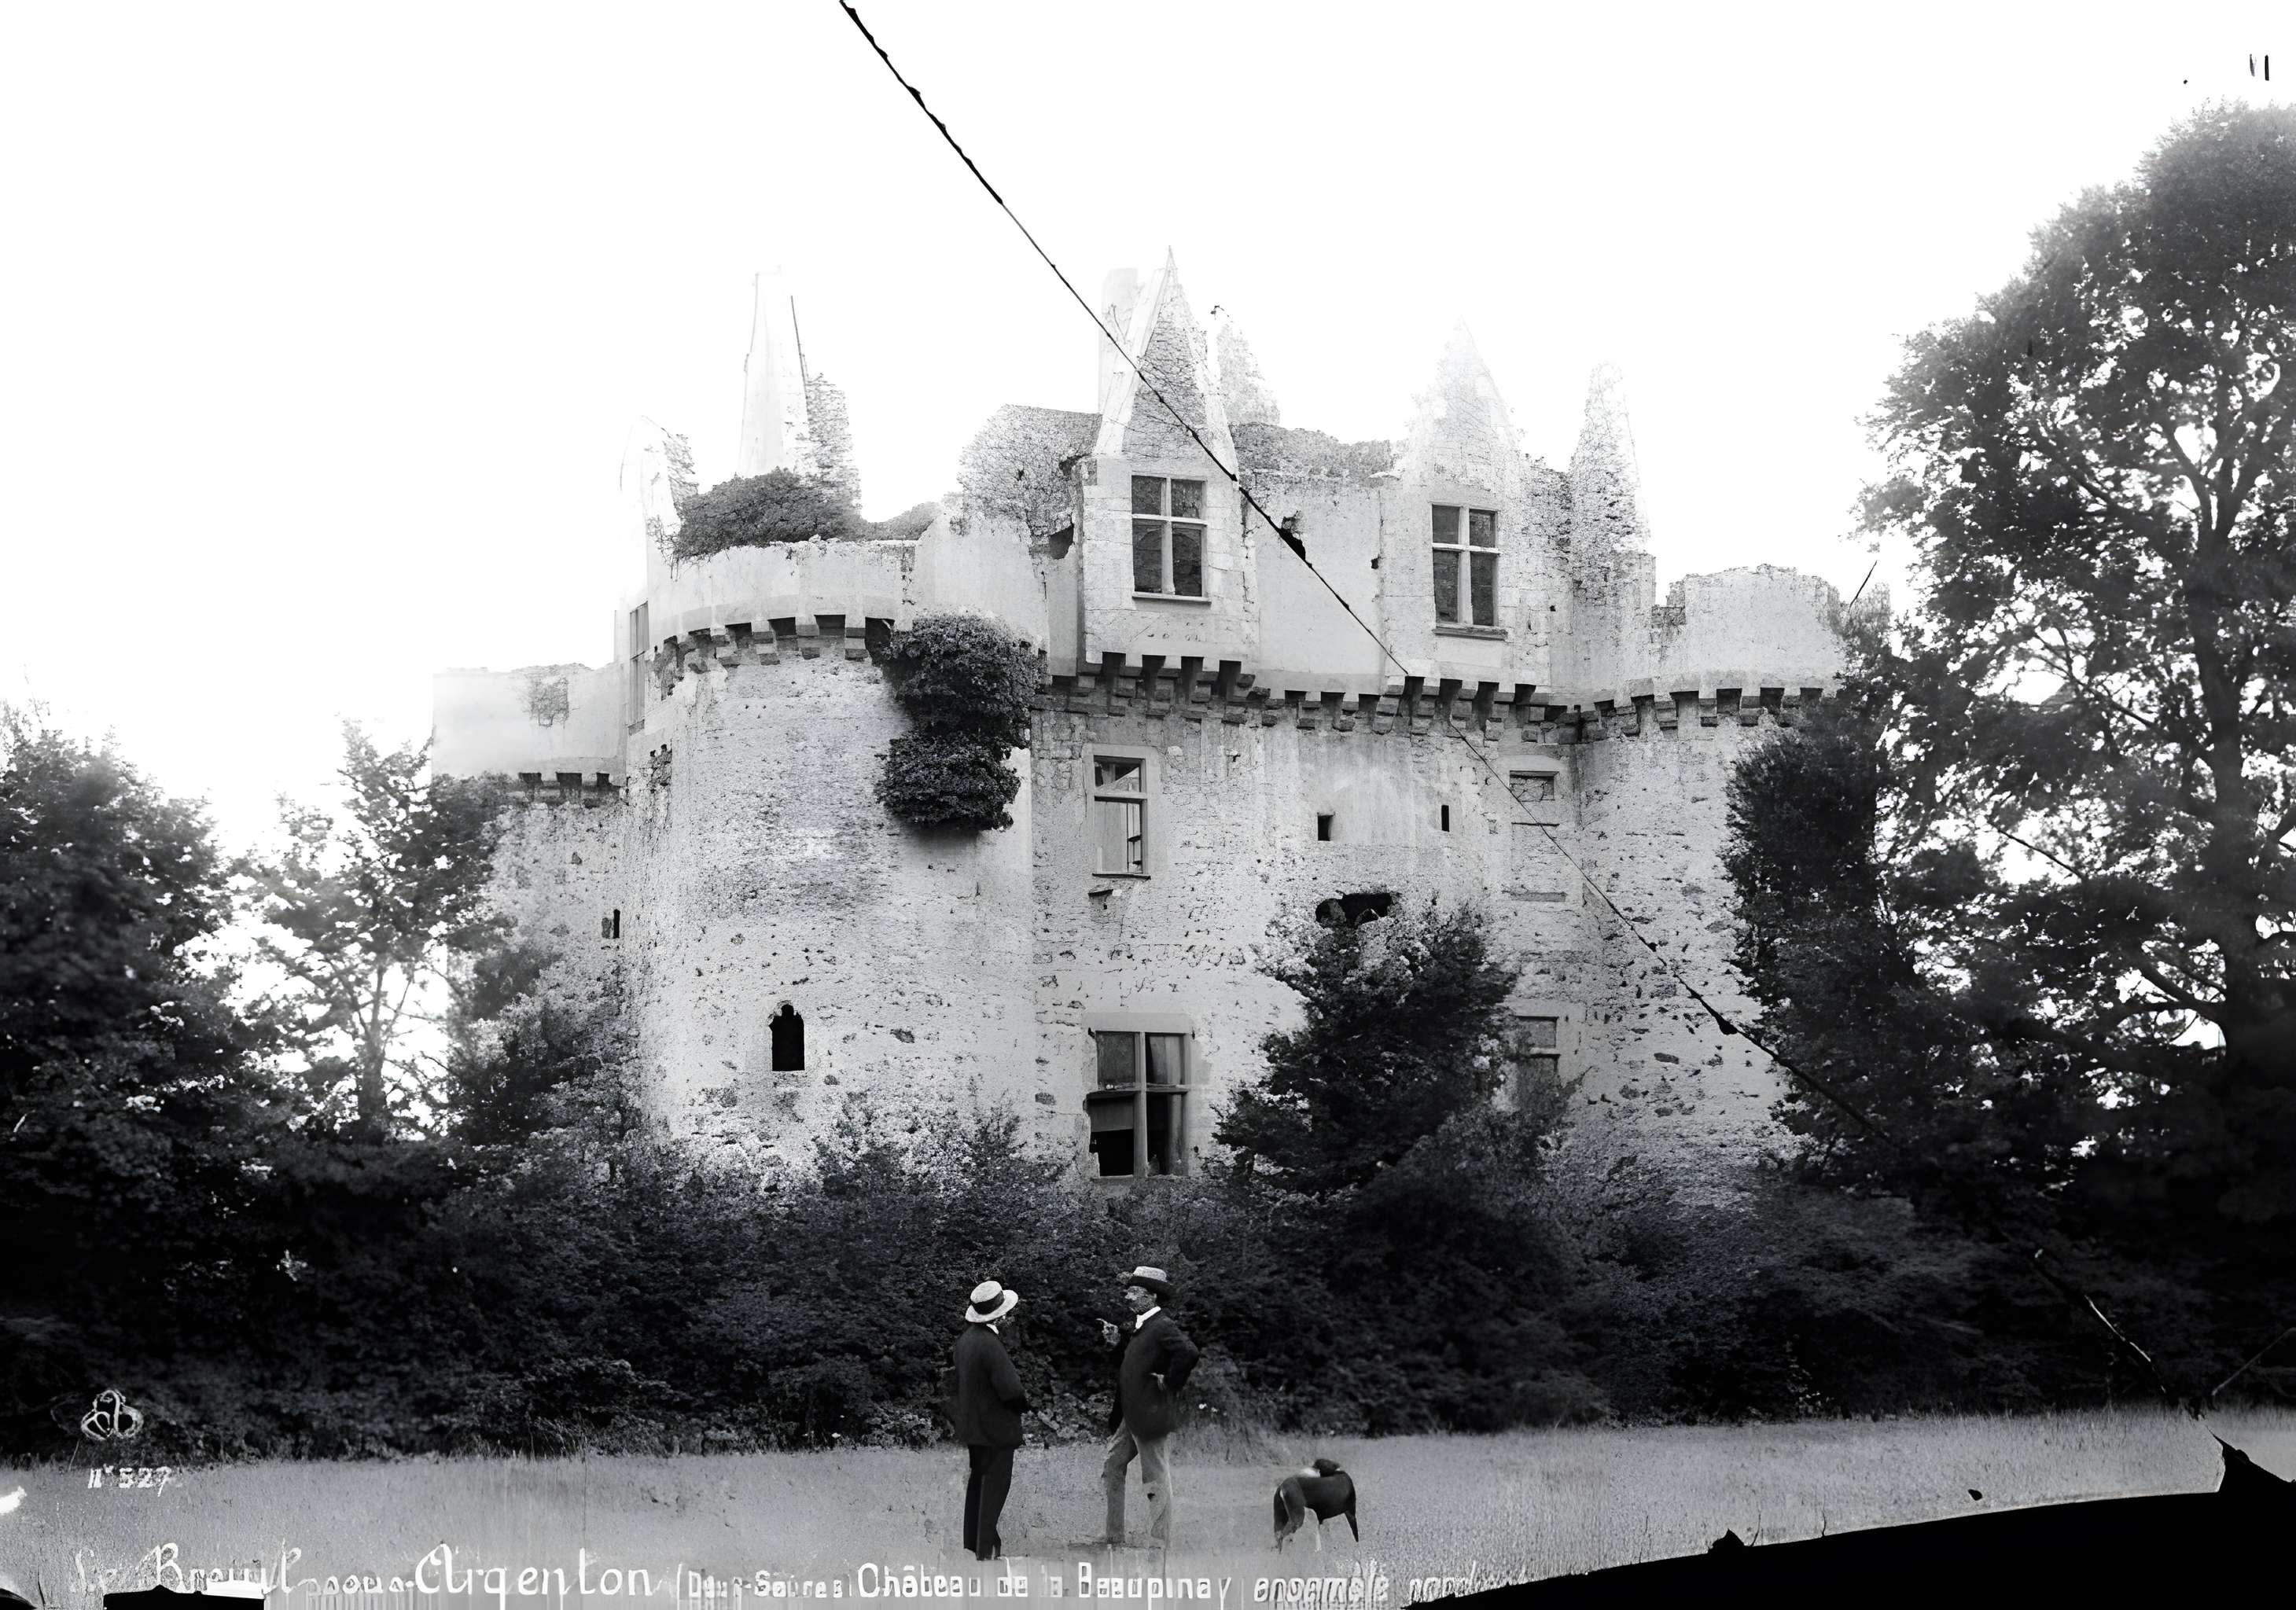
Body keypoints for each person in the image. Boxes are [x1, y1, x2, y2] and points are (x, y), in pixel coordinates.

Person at [1101, 1264, 1199, 1552]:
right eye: (1129, 1291)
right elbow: (1135, 1367)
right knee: (1112, 1466)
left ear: (1151, 1297)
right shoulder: (1142, 1327)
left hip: (1150, 1416)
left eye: (1134, 1292)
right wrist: (1115, 1345)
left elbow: (1188, 1352)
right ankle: (1114, 1538)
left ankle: (1159, 1542)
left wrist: (1170, 1383)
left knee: (1155, 1478)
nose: (1127, 1297)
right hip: (1130, 1417)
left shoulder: (1162, 1325)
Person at [951, 1278, 1028, 1560]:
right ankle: (987, 1553)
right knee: (995, 1489)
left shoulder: (965, 1341)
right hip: (997, 1428)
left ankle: (973, 1547)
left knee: (977, 1487)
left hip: (974, 1428)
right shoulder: (990, 1344)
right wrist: (1023, 1406)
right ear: (1001, 1315)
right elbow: (1011, 1390)